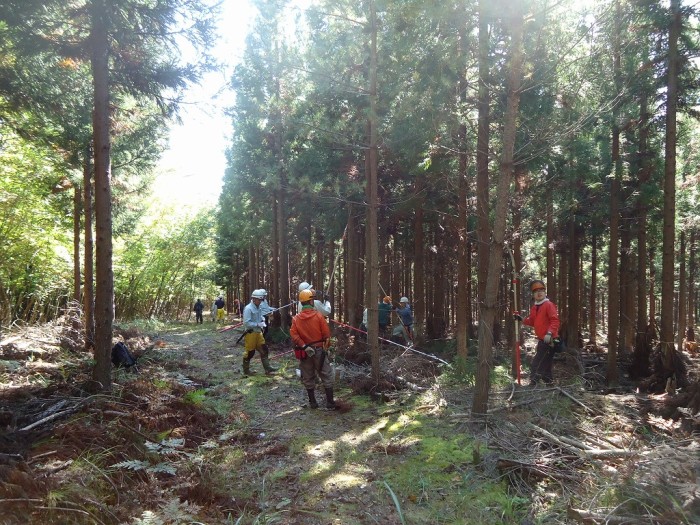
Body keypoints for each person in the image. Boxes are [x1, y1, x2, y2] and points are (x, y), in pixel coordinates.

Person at [291, 289, 336, 410]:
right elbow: (326, 335)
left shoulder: (296, 319)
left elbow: (294, 335)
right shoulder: (319, 316)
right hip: (319, 350)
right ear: (311, 301)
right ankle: (330, 403)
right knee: (326, 374)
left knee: (308, 376)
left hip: (305, 352)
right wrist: (327, 348)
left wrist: (304, 346)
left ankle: (313, 402)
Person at [516, 279, 560, 386]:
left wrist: (549, 333)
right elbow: (532, 321)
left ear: (545, 292)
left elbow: (555, 320)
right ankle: (549, 383)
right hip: (542, 339)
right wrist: (521, 319)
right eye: (536, 291)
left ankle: (533, 383)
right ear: (533, 294)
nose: (539, 293)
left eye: (541, 290)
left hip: (550, 340)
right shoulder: (535, 307)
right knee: (546, 363)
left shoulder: (548, 305)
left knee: (537, 362)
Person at [241, 290, 276, 376]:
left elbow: (259, 316)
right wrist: (257, 324)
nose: (260, 301)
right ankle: (246, 371)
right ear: (253, 298)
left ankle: (268, 369)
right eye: (259, 300)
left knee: (264, 350)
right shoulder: (248, 308)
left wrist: (262, 320)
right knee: (250, 353)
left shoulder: (259, 307)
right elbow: (246, 323)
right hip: (251, 333)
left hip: (258, 332)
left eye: (261, 300)